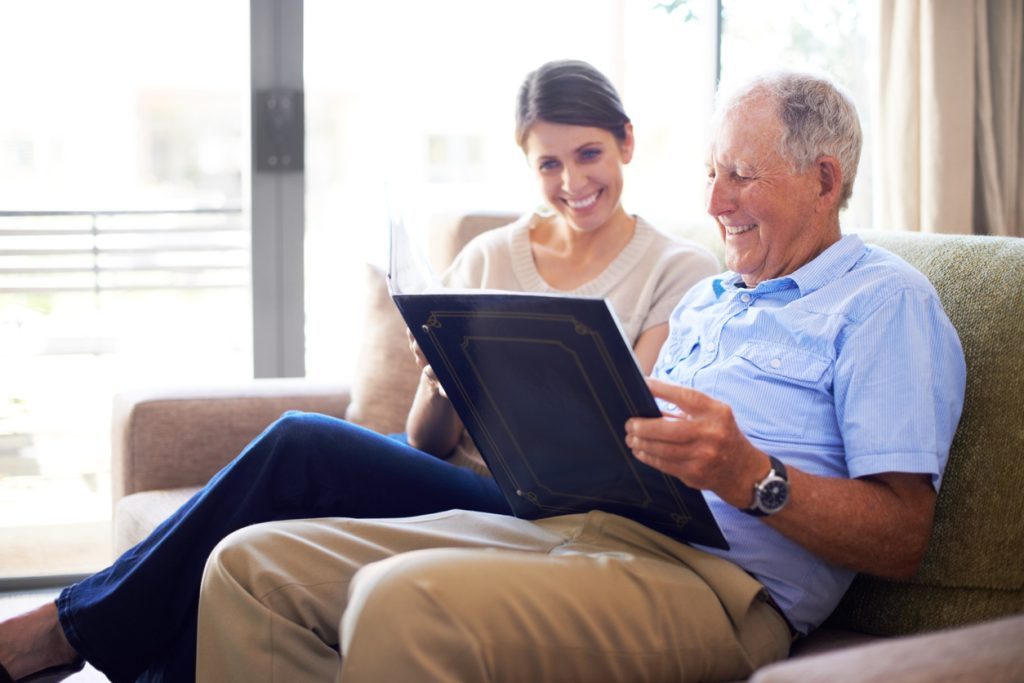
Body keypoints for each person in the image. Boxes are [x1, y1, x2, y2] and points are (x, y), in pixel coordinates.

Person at [193, 70, 967, 683]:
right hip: (572, 529)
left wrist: (754, 476)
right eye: (710, 172)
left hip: (720, 590)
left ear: (824, 180)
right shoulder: (710, 298)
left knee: (402, 603)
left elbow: (903, 536)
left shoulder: (883, 303)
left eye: (740, 174)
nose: (714, 201)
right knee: (250, 568)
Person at [0, 60, 718, 683]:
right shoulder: (490, 255)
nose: (572, 181)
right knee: (259, 525)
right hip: (459, 479)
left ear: (626, 140)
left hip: (553, 510)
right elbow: (427, 441)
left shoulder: (677, 269)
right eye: (549, 164)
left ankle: (60, 630)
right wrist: (443, 383)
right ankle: (117, 649)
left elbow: (631, 430)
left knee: (302, 443)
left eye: (589, 154)